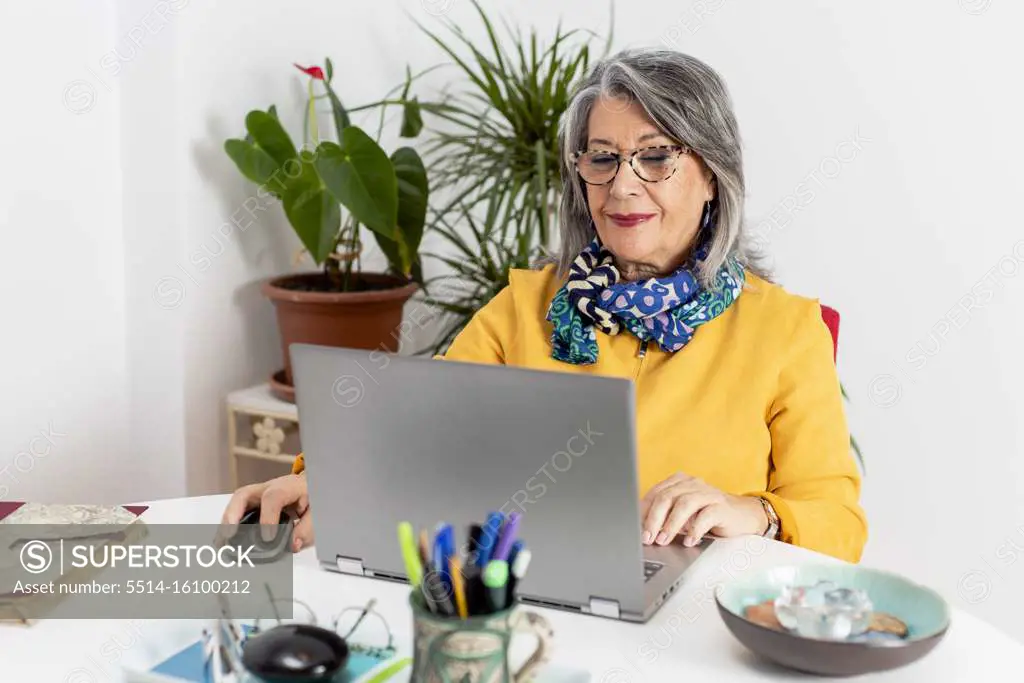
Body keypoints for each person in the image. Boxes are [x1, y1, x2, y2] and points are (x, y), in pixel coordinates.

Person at [222, 48, 868, 563]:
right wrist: (322, 477)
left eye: (655, 156)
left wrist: (751, 511)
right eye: (603, 157)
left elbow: (838, 521)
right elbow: (417, 425)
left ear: (712, 174)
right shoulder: (524, 304)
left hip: (700, 630)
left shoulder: (784, 329)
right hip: (527, 596)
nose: (622, 185)